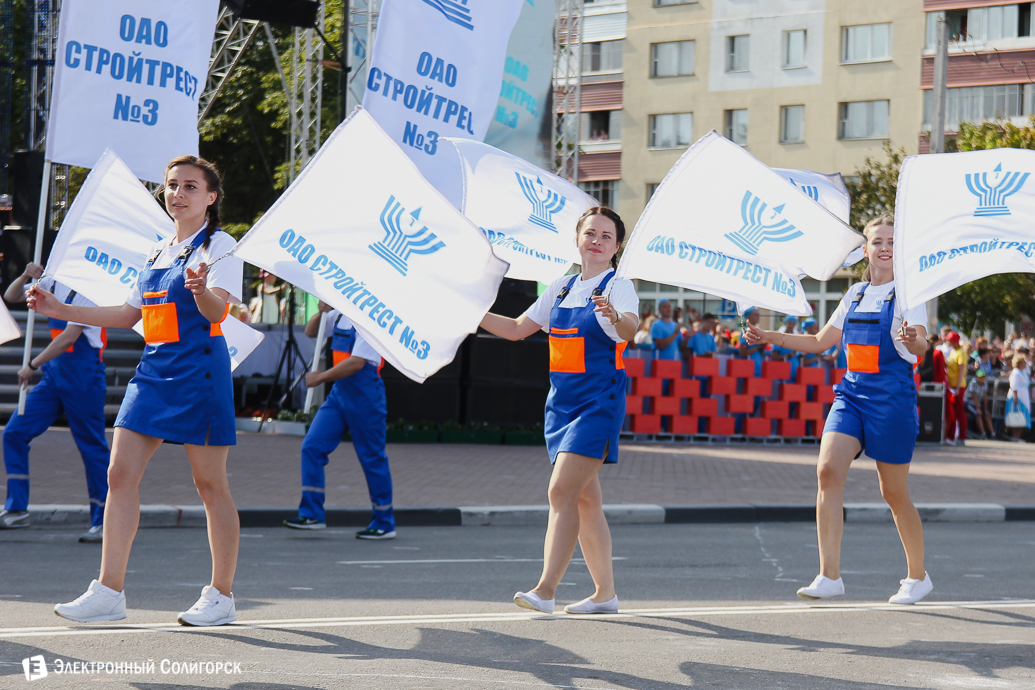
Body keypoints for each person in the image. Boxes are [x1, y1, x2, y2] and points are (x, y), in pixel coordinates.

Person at [31, 155, 244, 626]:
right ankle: (109, 592)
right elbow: (129, 317)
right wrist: (58, 307)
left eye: (191, 186)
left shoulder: (222, 245)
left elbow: (216, 314)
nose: (178, 193)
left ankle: (221, 596)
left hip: (201, 373)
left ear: (210, 198)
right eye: (172, 185)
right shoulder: (158, 250)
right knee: (118, 475)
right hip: (153, 373)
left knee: (211, 486)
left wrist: (200, 290)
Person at [744, 215, 932, 604]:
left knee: (893, 492)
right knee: (827, 471)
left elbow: (921, 347)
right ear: (864, 249)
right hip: (851, 395)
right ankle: (829, 576)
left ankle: (918, 577)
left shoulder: (912, 295)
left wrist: (915, 340)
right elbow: (818, 342)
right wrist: (769, 337)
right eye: (877, 241)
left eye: (892, 242)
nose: (884, 247)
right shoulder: (855, 295)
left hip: (893, 398)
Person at [479, 207, 637, 615]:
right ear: (578, 239)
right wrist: (470, 314)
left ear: (617, 246)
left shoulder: (619, 285)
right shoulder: (562, 287)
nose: (597, 240)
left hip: (599, 402)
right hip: (561, 406)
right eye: (590, 233)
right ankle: (606, 595)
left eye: (606, 235)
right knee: (585, 501)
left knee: (560, 491)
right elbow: (516, 330)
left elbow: (630, 328)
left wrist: (615, 316)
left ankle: (545, 590)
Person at [0, 266, 109, 542]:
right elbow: (12, 296)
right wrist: (26, 275)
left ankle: (105, 521)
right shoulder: (50, 282)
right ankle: (16, 508)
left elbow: (68, 337)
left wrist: (32, 364)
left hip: (83, 378)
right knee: (14, 433)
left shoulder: (88, 292)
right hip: (56, 376)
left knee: (91, 447)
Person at [283, 301, 395, 539]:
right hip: (340, 394)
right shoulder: (340, 313)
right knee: (312, 447)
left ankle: (384, 522)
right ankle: (312, 514)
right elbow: (312, 331)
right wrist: (321, 311)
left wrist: (320, 377)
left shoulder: (371, 320)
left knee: (372, 457)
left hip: (366, 394)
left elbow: (356, 363)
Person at [944, 331, 968, 446]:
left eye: (948, 340)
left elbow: (961, 371)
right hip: (952, 385)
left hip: (958, 386)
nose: (946, 341)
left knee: (959, 411)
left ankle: (962, 436)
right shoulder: (953, 351)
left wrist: (958, 387)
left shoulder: (961, 353)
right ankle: (953, 435)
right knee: (953, 411)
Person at [1005, 354, 1031, 442]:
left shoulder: (1022, 372)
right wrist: (1015, 398)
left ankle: (1018, 437)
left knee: (1022, 417)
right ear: (1020, 363)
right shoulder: (1015, 372)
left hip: (1024, 398)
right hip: (1017, 397)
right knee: (1015, 416)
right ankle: (1014, 437)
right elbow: (1014, 386)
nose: (1026, 364)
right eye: (1024, 362)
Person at [965, 370, 993, 440]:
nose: (982, 379)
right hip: (968, 403)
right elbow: (974, 397)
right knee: (978, 414)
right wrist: (978, 409)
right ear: (976, 377)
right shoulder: (973, 383)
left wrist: (985, 409)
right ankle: (983, 433)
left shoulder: (985, 383)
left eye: (983, 377)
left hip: (978, 403)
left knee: (986, 415)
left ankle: (993, 434)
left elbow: (985, 397)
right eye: (980, 377)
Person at [738, 307, 765, 377]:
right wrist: (756, 348)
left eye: (758, 315)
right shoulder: (745, 332)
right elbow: (742, 352)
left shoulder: (759, 332)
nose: (758, 317)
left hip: (758, 370)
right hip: (748, 371)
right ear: (748, 317)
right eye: (755, 315)